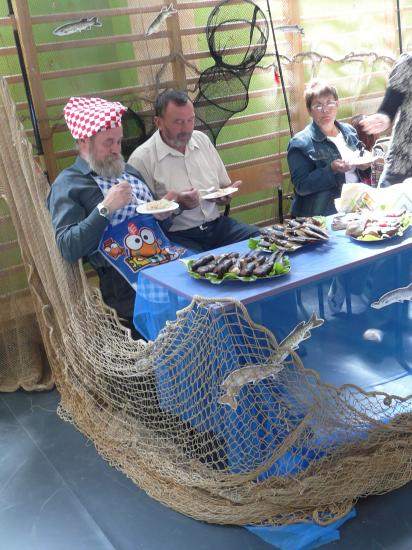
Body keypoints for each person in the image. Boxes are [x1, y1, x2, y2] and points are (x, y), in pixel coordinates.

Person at [47, 96, 174, 335]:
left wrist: (164, 214)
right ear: (84, 141)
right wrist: (105, 208)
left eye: (119, 141)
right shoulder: (68, 184)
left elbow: (160, 226)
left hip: (163, 259)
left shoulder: (129, 171)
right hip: (123, 282)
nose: (117, 149)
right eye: (108, 143)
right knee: (169, 333)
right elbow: (68, 247)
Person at [128, 89, 260, 251]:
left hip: (216, 226)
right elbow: (141, 221)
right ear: (158, 122)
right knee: (197, 263)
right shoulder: (141, 159)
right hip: (177, 235)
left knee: (260, 240)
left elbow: (223, 186)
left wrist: (224, 196)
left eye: (190, 120)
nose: (186, 129)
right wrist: (178, 205)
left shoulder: (202, 140)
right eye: (178, 122)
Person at [287, 80, 370, 217]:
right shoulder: (300, 143)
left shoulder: (349, 131)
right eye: (318, 105)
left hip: (356, 207)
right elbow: (301, 186)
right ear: (309, 111)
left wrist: (366, 166)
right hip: (323, 216)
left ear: (337, 104)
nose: (325, 110)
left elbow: (362, 167)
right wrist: (331, 170)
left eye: (329, 103)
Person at [360, 53, 412, 187]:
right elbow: (390, 105)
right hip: (402, 164)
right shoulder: (408, 62)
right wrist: (384, 117)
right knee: (386, 199)